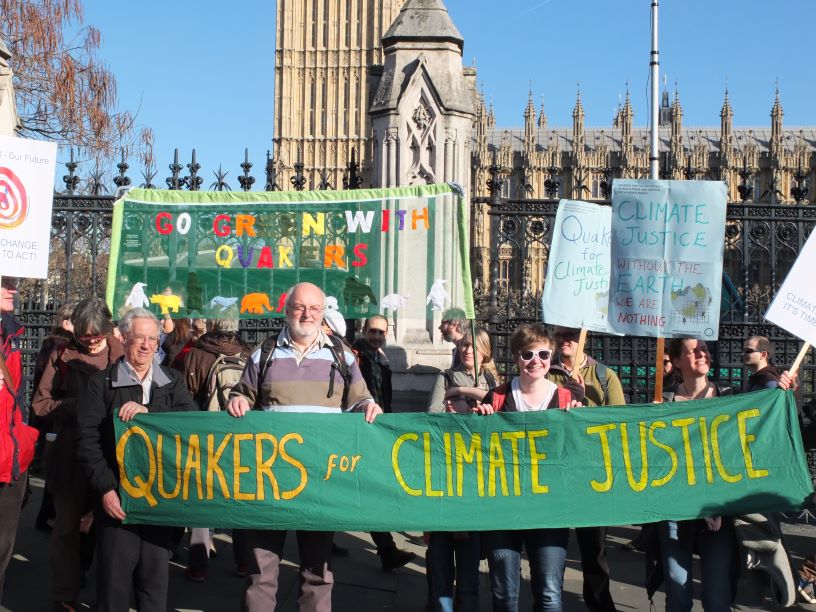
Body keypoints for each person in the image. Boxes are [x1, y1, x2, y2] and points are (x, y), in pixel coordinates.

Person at [226, 282, 382, 612]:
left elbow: (359, 399)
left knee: (318, 573)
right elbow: (243, 394)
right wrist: (237, 400)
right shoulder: (263, 353)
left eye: (314, 308)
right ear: (287, 311)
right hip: (271, 479)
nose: (307, 314)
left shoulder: (341, 355)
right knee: (261, 572)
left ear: (323, 312)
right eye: (299, 307)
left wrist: (369, 406)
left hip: (320, 481)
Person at [77, 307, 197, 612]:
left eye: (153, 339)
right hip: (117, 498)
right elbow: (87, 441)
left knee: (154, 585)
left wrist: (150, 414)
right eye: (139, 338)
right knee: (114, 586)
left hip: (159, 499)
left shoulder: (171, 380)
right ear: (123, 336)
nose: (146, 345)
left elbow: (191, 422)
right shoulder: (101, 384)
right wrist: (105, 490)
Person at [473, 323, 583, 612]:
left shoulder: (565, 400)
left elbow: (578, 454)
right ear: (515, 357)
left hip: (549, 511)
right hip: (504, 510)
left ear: (552, 357)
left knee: (549, 596)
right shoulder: (496, 398)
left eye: (544, 354)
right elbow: (476, 451)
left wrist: (578, 424)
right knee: (505, 596)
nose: (536, 361)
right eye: (527, 354)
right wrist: (480, 420)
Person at [32, 297, 125, 611]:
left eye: (97, 334)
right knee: (67, 527)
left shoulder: (121, 353)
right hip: (70, 455)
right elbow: (41, 404)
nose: (92, 341)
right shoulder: (62, 355)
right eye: (85, 335)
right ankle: (64, 594)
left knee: (109, 528)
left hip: (110, 452)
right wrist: (77, 404)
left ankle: (107, 595)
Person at [547, 326, 624, 612]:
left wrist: (585, 401)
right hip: (555, 473)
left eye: (572, 334)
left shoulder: (604, 377)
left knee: (594, 551)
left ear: (584, 338)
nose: (565, 339)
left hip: (591, 474)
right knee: (550, 549)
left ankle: (600, 605)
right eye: (561, 334)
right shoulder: (545, 372)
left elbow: (616, 425)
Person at [655, 337, 734, 612]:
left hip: (718, 510)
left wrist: (787, 390)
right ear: (676, 361)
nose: (702, 354)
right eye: (694, 351)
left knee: (716, 597)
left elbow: (741, 450)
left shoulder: (728, 396)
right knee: (678, 593)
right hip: (676, 509)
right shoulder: (662, 401)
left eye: (705, 349)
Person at [426, 327, 498, 612]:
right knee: (441, 565)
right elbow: (433, 415)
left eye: (474, 346)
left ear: (485, 351)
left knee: (470, 571)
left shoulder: (494, 379)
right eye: (464, 345)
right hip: (446, 472)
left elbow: (498, 413)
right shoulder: (443, 377)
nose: (468, 350)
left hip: (476, 478)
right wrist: (465, 408)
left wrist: (460, 394)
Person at [181, 313, 252, 581]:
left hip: (205, 435)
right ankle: (244, 561)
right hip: (239, 436)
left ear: (212, 325)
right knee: (242, 499)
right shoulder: (247, 352)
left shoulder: (197, 353)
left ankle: (199, 563)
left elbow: (186, 395)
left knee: (201, 499)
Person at [352, 315, 415, 571]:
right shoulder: (355, 357)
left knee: (364, 490)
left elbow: (384, 397)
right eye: (373, 331)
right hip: (358, 427)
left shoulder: (381, 359)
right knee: (368, 491)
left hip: (376, 428)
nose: (377, 336)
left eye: (381, 332)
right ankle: (387, 549)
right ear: (364, 330)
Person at [0, 276, 38, 604]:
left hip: (10, 461)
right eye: (5, 282)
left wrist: (21, 443)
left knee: (2, 550)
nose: (14, 288)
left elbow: (18, 401)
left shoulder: (11, 333)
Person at [29, 302, 75, 532]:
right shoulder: (60, 347)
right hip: (53, 411)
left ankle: (46, 514)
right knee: (55, 466)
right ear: (67, 323)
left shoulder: (51, 344)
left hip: (47, 412)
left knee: (52, 463)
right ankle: (46, 514)